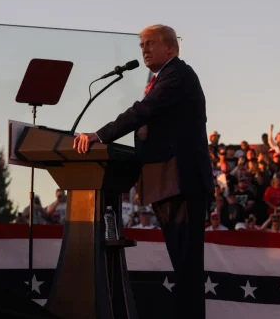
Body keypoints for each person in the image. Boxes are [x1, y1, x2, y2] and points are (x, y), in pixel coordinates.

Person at [74, 24, 213, 319]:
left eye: (150, 44)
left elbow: (142, 111)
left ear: (171, 48)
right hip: (168, 184)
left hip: (181, 183)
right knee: (183, 267)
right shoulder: (164, 77)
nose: (144, 49)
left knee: (187, 268)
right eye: (141, 45)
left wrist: (101, 135)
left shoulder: (177, 75)